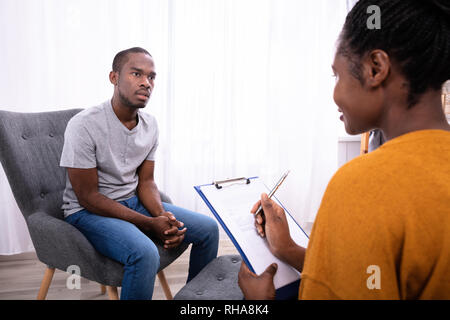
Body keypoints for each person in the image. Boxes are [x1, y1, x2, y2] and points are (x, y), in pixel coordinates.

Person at [238, 0, 450, 299]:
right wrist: (287, 249)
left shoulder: (361, 185)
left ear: (375, 68)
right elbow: (369, 276)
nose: (334, 93)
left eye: (336, 75)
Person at [60, 47, 219, 300]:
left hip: (132, 201)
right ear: (114, 77)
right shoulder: (84, 125)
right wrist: (149, 224)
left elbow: (146, 182)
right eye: (136, 74)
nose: (146, 82)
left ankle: (196, 302)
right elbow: (87, 196)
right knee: (145, 253)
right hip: (87, 212)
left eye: (151, 77)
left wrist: (162, 215)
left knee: (209, 229)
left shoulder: (150, 125)